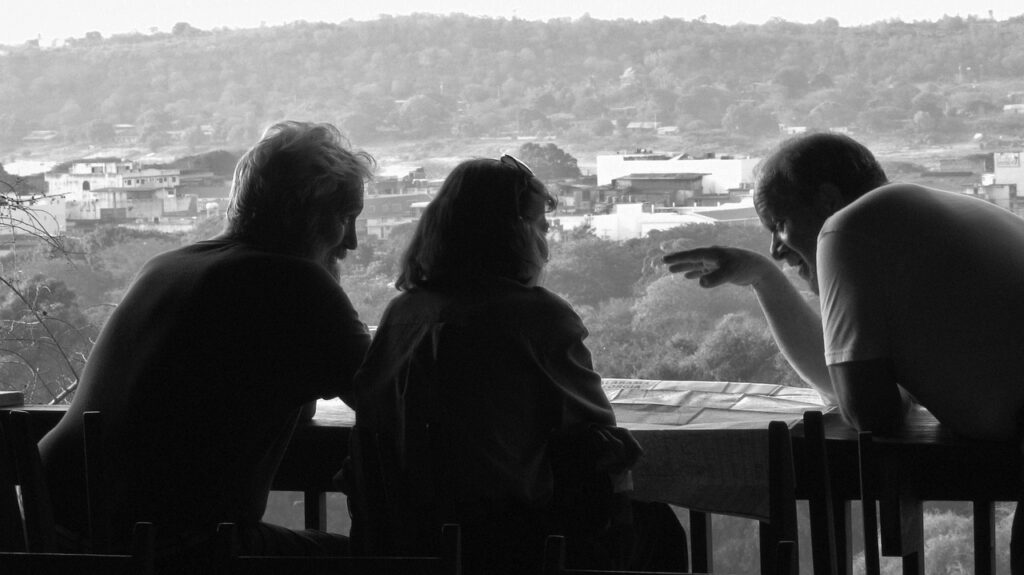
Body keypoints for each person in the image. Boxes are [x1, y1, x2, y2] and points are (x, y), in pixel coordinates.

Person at [663, 132, 1024, 568]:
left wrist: (886, 390)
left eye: (778, 223)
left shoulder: (849, 227)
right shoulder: (918, 213)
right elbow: (849, 386)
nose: (776, 249)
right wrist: (763, 279)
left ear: (828, 200)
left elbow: (870, 413)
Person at [39, 121, 374, 569]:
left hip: (50, 531)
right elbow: (388, 394)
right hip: (169, 546)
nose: (350, 242)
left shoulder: (165, 267)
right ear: (305, 212)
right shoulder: (297, 283)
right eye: (345, 218)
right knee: (382, 560)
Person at [350, 156, 688, 575]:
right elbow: (597, 434)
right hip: (515, 546)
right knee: (660, 528)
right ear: (516, 233)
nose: (546, 242)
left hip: (403, 543)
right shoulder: (535, 318)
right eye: (542, 227)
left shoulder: (402, 315)